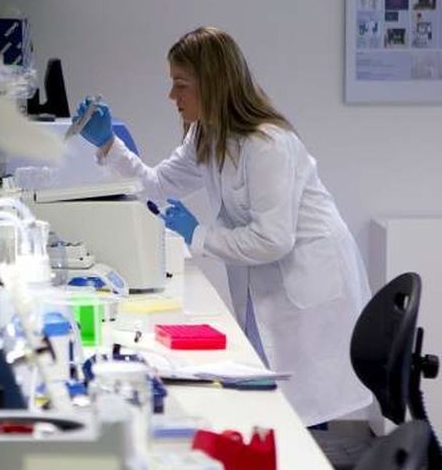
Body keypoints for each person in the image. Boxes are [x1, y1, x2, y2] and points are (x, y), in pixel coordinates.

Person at [73, 26, 372, 427]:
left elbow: (273, 239)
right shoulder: (208, 133)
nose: (172, 97)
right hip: (271, 280)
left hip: (307, 281)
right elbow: (158, 185)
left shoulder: (266, 144)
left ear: (212, 84)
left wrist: (197, 234)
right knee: (277, 405)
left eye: (181, 85)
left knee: (300, 411)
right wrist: (107, 143)